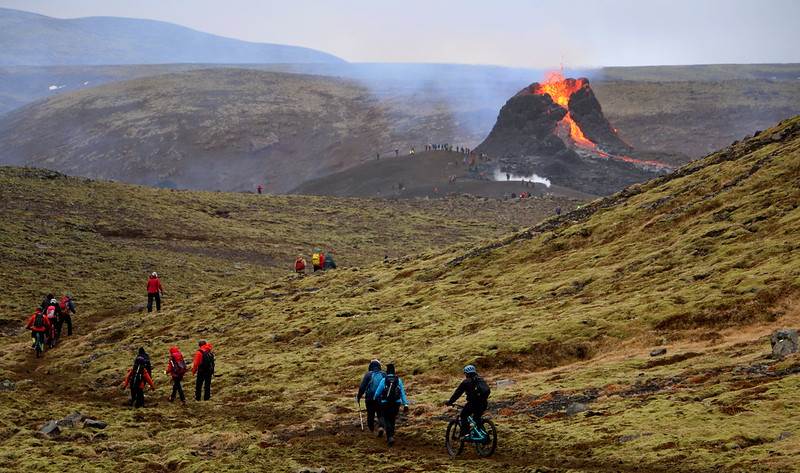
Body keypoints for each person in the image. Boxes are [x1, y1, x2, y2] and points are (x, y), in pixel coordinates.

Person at [445, 365, 491, 440]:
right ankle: (482, 434)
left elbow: (457, 393)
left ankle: (466, 434)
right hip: (483, 403)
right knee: (477, 417)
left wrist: (450, 402)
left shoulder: (466, 382)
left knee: (463, 415)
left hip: (473, 403)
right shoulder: (481, 380)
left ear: (466, 373)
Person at [373, 363, 409, 447]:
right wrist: (405, 404)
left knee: (387, 419)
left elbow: (378, 392)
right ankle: (391, 435)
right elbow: (402, 393)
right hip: (396, 403)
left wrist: (375, 399)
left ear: (387, 371)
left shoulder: (384, 380)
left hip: (385, 403)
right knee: (392, 419)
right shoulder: (398, 380)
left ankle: (389, 437)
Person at [356, 360, 385, 434]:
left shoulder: (368, 375)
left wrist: (359, 396)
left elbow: (362, 387)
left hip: (370, 398)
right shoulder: (384, 374)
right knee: (381, 414)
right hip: (380, 398)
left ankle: (371, 431)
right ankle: (381, 427)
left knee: (370, 414)